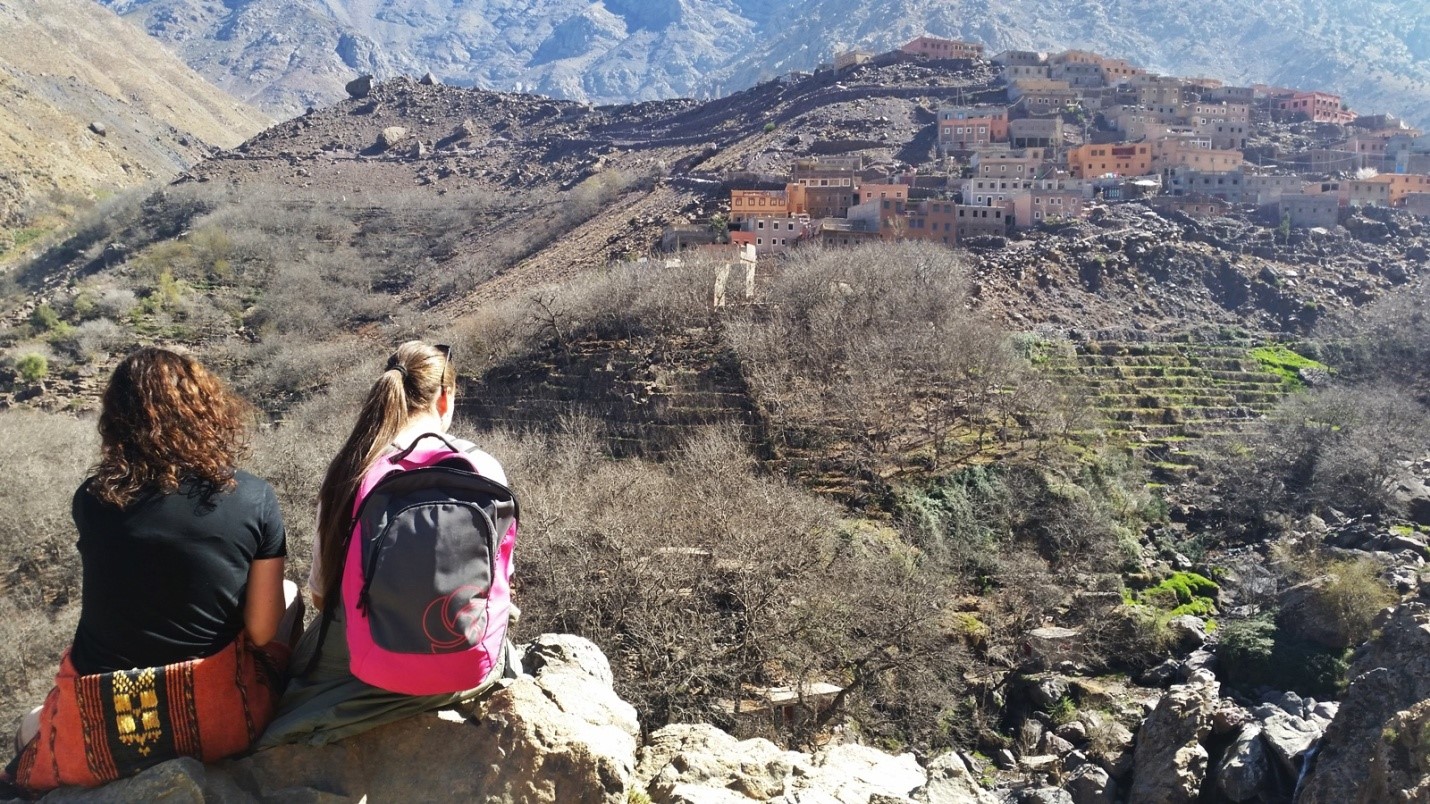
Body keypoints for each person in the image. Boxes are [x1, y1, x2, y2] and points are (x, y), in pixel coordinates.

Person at [4, 348, 300, 793]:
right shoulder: (253, 497)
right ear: (207, 411)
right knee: (288, 592)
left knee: (30, 725)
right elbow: (261, 632)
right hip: (215, 724)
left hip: (100, 734)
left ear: (117, 421)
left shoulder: (92, 499)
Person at [258, 340, 513, 747]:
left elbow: (322, 595)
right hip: (464, 664)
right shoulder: (484, 468)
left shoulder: (352, 469)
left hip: (362, 667)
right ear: (444, 398)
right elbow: (497, 579)